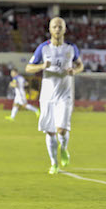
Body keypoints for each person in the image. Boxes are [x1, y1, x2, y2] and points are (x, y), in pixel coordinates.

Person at [26, 17, 84, 174]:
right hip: (47, 96)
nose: (57, 29)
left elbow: (80, 65)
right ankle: (54, 163)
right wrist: (42, 66)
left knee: (61, 130)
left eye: (60, 27)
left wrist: (75, 71)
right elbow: (28, 68)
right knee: (50, 131)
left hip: (65, 95)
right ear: (50, 29)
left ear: (64, 29)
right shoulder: (43, 48)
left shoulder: (71, 48)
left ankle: (64, 148)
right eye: (54, 27)